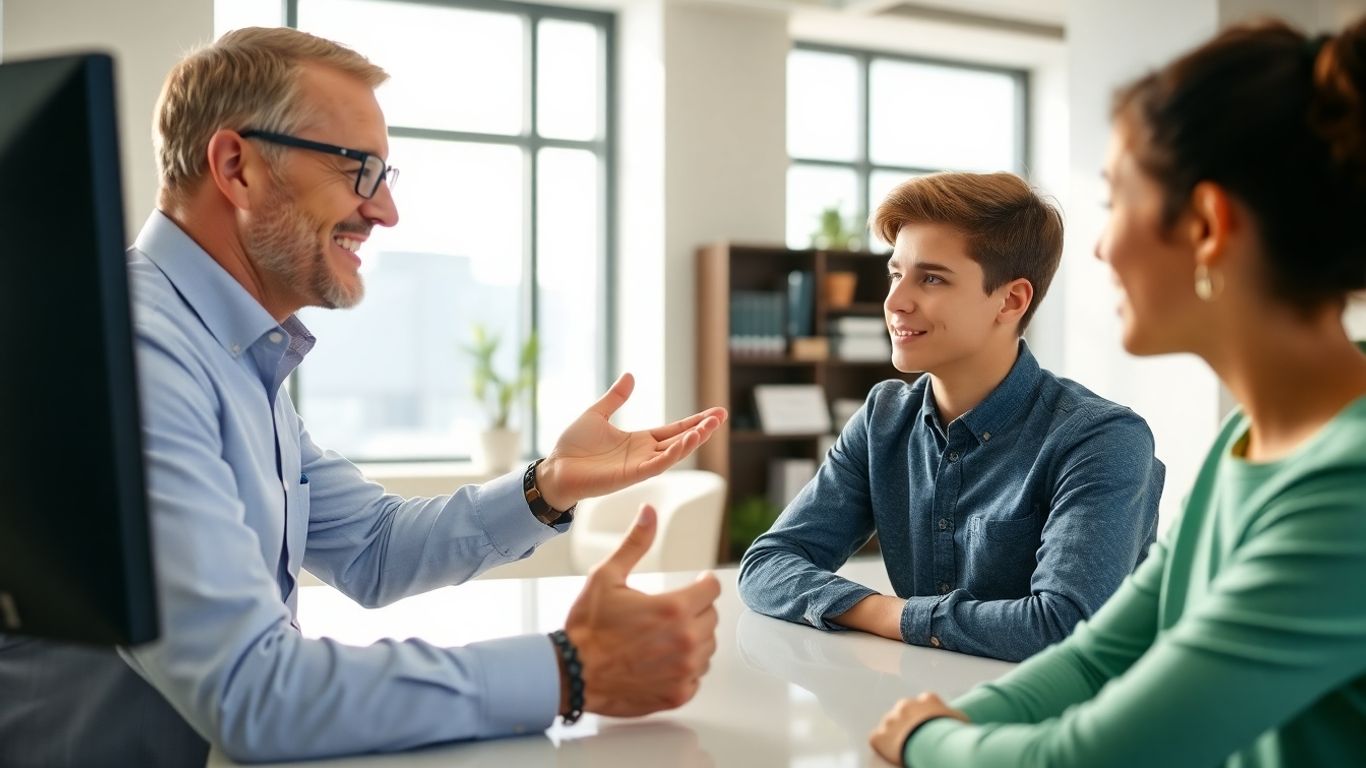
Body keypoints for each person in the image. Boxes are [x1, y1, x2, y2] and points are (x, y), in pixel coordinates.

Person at [0, 27, 729, 767]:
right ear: (236, 166)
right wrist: (571, 669)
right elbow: (255, 692)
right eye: (360, 170)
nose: (385, 212)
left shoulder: (231, 352)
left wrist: (549, 485)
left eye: (387, 177)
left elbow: (373, 547)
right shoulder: (139, 355)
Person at [870, 16, 1366, 767]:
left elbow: (1092, 756)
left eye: (1114, 200)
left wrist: (928, 741)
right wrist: (944, 721)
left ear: (1205, 225)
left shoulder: (1347, 487)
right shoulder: (1250, 446)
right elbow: (1098, 658)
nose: (1099, 248)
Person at [738, 172, 1165, 662]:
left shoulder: (1100, 439)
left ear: (1011, 300)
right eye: (896, 274)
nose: (895, 302)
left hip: (1072, 722)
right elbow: (767, 564)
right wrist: (880, 610)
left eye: (932, 278)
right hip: (927, 704)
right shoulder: (884, 419)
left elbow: (1061, 626)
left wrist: (893, 616)